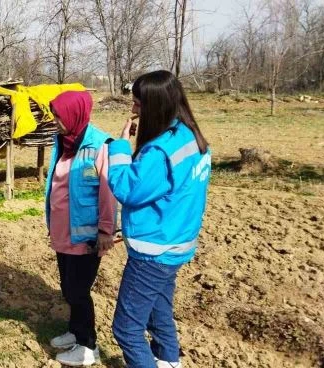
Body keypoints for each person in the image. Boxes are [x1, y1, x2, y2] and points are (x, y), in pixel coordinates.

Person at [108, 70, 211, 368]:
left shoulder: (160, 152)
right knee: (159, 312)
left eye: (138, 104)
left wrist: (119, 147)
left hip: (153, 252)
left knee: (126, 329)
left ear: (155, 106)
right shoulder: (190, 137)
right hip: (177, 245)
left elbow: (128, 189)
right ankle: (168, 361)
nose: (133, 109)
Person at [44, 91, 117, 366]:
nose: (55, 122)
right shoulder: (62, 142)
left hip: (86, 237)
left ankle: (89, 347)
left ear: (74, 114)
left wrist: (106, 231)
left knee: (78, 290)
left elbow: (108, 193)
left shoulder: (99, 145)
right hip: (63, 232)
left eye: (59, 117)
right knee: (68, 287)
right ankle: (75, 331)